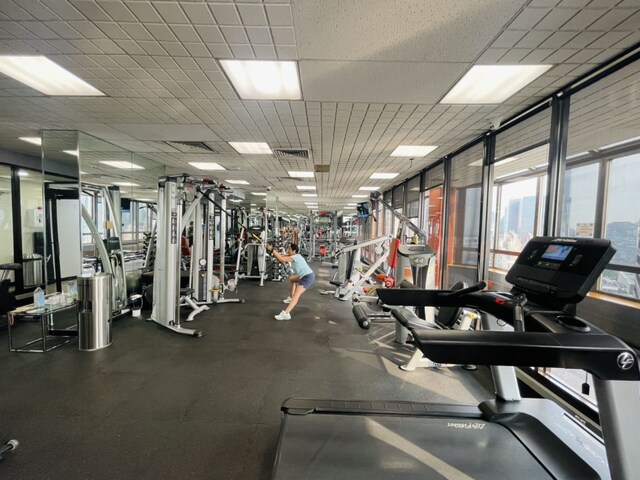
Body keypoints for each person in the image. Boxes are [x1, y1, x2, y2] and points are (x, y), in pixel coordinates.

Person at [266, 243, 314, 321]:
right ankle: (291, 298)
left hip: (307, 277)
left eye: (289, 249)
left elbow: (281, 259)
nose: (288, 250)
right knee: (292, 279)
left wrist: (272, 250)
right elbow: (281, 256)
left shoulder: (295, 257)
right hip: (305, 275)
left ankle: (286, 313)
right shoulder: (293, 256)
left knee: (296, 294)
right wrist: (273, 250)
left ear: (294, 251)